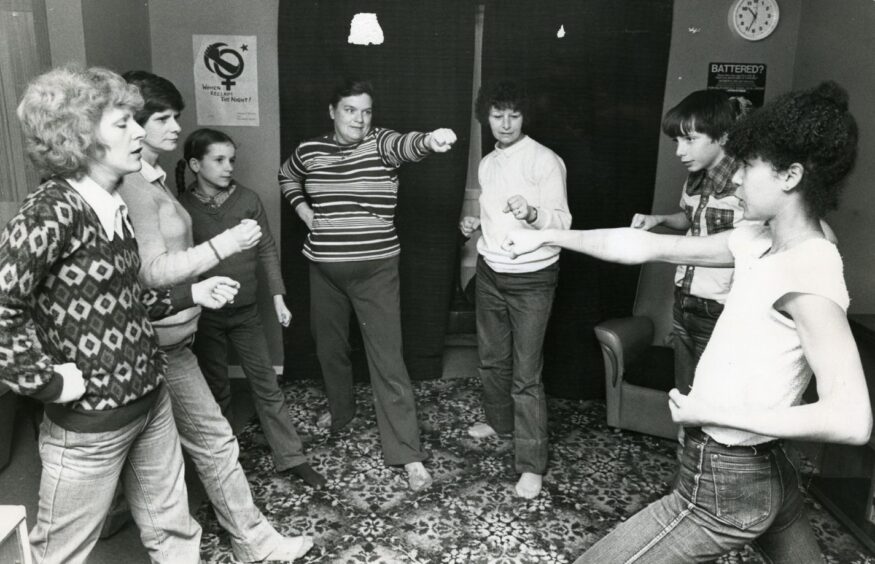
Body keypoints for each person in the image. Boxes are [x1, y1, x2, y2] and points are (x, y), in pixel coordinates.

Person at [502, 81, 873, 563]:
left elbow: (851, 418)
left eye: (749, 168)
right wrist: (549, 237)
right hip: (761, 467)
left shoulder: (809, 268)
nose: (736, 180)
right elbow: (645, 245)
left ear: (791, 175)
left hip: (730, 478)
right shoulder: (758, 239)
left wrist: (716, 413)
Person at [0, 65, 240, 564]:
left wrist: (194, 293)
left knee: (175, 535)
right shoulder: (51, 210)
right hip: (89, 427)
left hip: (150, 403)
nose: (139, 133)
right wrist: (45, 382)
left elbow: (128, 300)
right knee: (60, 554)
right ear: (81, 137)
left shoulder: (113, 205)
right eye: (123, 123)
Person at [118, 71, 315, 562]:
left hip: (179, 337)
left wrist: (273, 295)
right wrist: (210, 270)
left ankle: (254, 541)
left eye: (173, 116)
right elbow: (146, 273)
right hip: (151, 343)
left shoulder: (154, 180)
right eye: (162, 117)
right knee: (158, 469)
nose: (171, 125)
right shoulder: (133, 185)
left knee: (215, 443)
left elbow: (265, 250)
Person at [277, 78, 457, 491]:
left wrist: (431, 139)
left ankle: (407, 454)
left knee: (387, 360)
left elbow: (408, 145)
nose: (359, 118)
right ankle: (342, 413)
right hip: (324, 269)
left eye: (366, 110)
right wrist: (305, 212)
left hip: (375, 271)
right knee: (330, 349)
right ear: (332, 111)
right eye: (350, 110)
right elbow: (287, 176)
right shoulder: (310, 150)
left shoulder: (380, 144)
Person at [175, 127, 325, 489]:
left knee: (266, 385)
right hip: (205, 316)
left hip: (246, 314)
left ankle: (291, 458)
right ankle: (225, 466)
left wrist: (278, 297)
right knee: (216, 389)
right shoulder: (181, 208)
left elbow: (267, 250)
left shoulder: (248, 199)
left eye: (232, 160)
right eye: (219, 160)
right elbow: (176, 262)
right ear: (196, 164)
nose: (228, 167)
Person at [459, 80, 571, 499]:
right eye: (496, 115)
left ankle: (531, 464)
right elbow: (493, 216)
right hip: (491, 273)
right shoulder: (488, 163)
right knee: (491, 360)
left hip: (533, 279)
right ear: (485, 117)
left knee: (526, 376)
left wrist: (534, 212)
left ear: (525, 116)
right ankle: (499, 422)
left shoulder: (545, 160)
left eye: (513, 115)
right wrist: (473, 226)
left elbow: (563, 224)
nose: (504, 124)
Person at [629, 90, 750, 395]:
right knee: (685, 395)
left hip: (723, 307)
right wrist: (658, 220)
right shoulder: (695, 177)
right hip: (684, 300)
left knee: (715, 396)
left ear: (722, 136)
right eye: (676, 142)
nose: (679, 151)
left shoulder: (748, 182)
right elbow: (690, 220)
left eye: (690, 140)